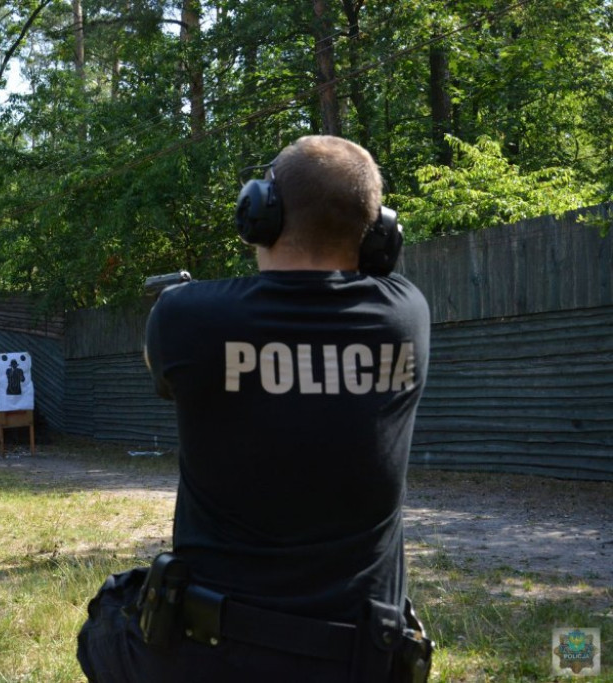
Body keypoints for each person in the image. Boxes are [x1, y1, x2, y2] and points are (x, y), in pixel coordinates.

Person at [77, 135, 432, 681]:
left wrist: (182, 309)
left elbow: (163, 371)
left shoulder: (185, 317)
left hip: (216, 652)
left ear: (260, 211)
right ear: (380, 231)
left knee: (105, 621)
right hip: (362, 657)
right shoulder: (407, 315)